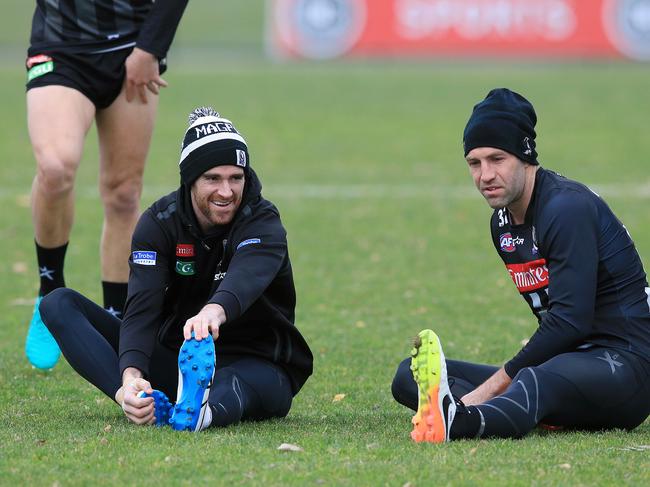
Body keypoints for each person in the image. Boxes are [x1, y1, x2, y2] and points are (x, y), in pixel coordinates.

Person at [391, 88, 650, 442]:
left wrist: (492, 387)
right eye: (474, 163)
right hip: (568, 365)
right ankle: (493, 407)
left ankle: (461, 422)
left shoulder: (565, 209)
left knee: (530, 378)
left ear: (525, 156)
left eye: (497, 159)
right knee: (411, 375)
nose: (485, 175)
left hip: (627, 369)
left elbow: (569, 322)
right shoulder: (502, 223)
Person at [39, 107, 313, 431]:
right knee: (58, 303)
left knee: (232, 383)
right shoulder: (159, 224)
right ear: (190, 178)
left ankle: (200, 413)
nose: (226, 191)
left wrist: (214, 311)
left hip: (259, 364)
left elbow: (247, 276)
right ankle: (135, 400)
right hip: (178, 363)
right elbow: (141, 308)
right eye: (213, 178)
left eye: (235, 178)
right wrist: (130, 376)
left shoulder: (262, 220)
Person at [25, 0, 189, 370]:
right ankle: (49, 289)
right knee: (55, 168)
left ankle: (115, 322)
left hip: (131, 49)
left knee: (124, 193)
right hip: (60, 48)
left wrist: (150, 49)